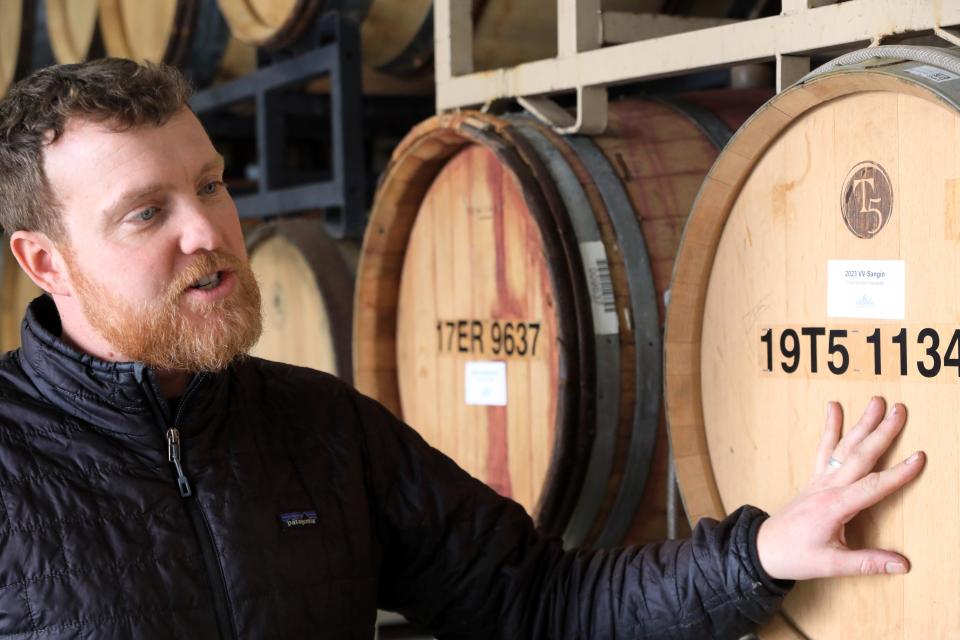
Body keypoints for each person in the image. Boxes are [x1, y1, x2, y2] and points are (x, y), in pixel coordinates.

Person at [0, 58, 924, 639]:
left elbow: (540, 604)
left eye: (211, 185)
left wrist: (758, 555)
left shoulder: (320, 428)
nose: (209, 232)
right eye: (148, 213)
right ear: (47, 261)